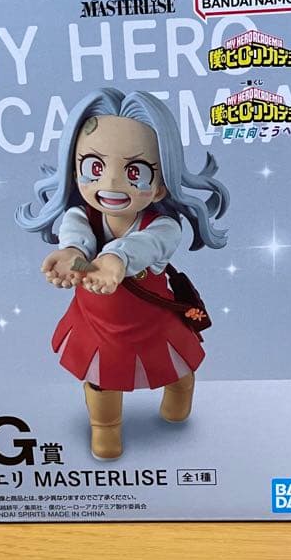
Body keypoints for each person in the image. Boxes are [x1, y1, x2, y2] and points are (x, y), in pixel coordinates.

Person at [16, 88, 228, 459]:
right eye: (94, 168)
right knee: (101, 379)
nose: (111, 184)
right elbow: (77, 239)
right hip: (97, 323)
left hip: (152, 319)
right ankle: (105, 429)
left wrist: (116, 258)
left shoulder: (163, 226)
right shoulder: (80, 217)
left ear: (161, 184)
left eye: (135, 172)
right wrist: (72, 256)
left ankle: (178, 404)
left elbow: (148, 245)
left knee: (178, 370)